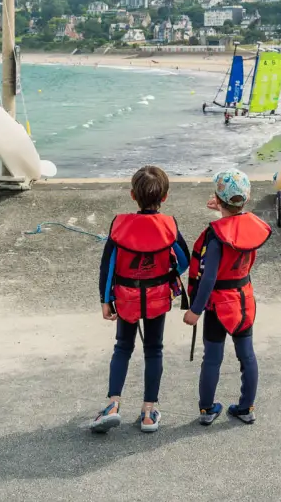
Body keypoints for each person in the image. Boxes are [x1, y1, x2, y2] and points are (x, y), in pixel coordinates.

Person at [91, 166, 189, 435]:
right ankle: (148, 412)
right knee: (154, 349)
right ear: (165, 197)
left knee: (123, 347)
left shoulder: (119, 224)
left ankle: (112, 405)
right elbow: (184, 260)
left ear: (133, 195)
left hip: (126, 298)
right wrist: (167, 274)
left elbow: (107, 265)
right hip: (157, 297)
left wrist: (105, 299)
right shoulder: (169, 225)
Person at [183, 169, 271, 425]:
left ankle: (207, 409)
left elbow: (208, 278)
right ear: (246, 199)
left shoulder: (215, 237)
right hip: (244, 301)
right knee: (247, 356)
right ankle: (246, 408)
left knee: (212, 358)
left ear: (218, 200)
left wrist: (195, 310)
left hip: (218, 306)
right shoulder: (251, 227)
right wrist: (223, 208)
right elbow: (235, 224)